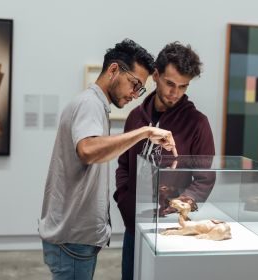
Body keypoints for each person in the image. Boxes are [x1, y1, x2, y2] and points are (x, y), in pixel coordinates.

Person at [39, 39, 177, 280]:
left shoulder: (95, 105)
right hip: (73, 241)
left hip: (75, 240)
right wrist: (145, 132)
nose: (135, 94)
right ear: (114, 70)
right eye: (134, 84)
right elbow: (88, 150)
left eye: (140, 89)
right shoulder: (90, 104)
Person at [115, 42, 215, 280]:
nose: (175, 93)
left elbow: (204, 178)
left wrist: (183, 204)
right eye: (170, 84)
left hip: (173, 229)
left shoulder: (198, 123)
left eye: (183, 86)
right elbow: (124, 166)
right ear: (156, 76)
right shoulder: (135, 117)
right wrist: (124, 201)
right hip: (135, 226)